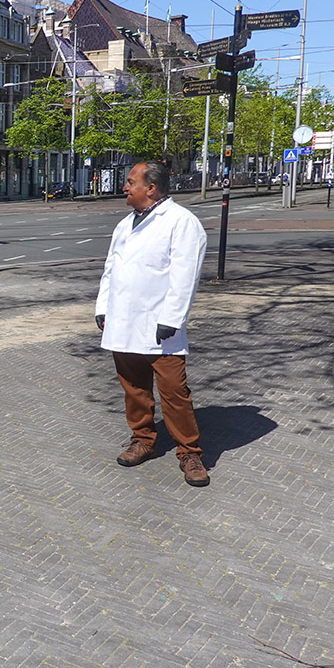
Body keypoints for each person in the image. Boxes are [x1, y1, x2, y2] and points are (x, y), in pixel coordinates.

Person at [95, 161, 209, 487]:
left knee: (174, 391)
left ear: (152, 188)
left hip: (161, 325)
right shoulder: (125, 224)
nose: (125, 187)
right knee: (134, 387)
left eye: (131, 182)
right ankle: (143, 438)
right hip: (124, 321)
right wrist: (103, 307)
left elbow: (185, 275)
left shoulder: (181, 223)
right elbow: (111, 270)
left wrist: (172, 318)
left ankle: (189, 451)